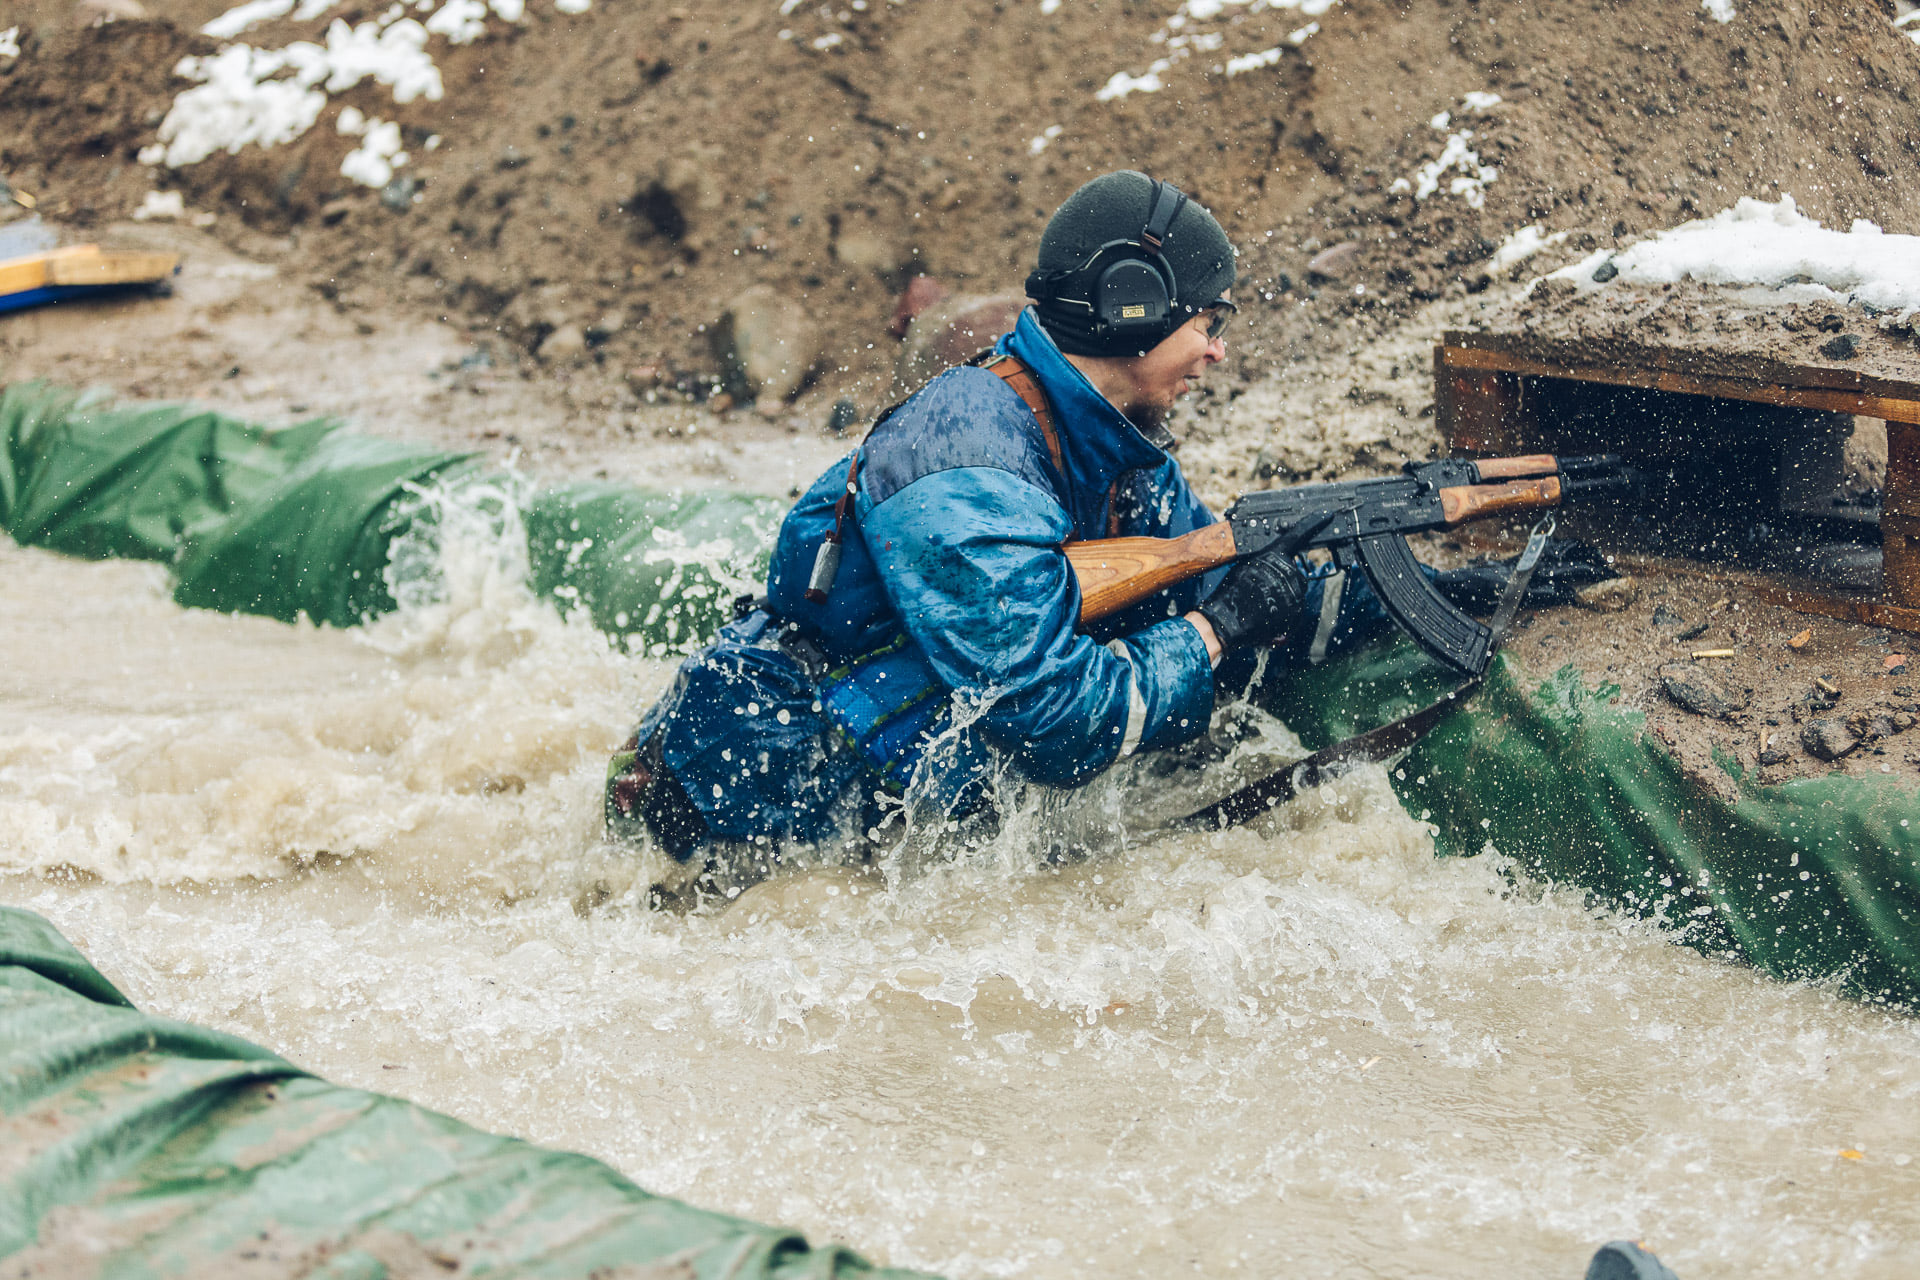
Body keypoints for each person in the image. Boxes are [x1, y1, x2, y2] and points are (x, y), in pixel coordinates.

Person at [606, 171, 1346, 877]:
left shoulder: (1118, 452)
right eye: (1208, 323)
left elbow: (1234, 581)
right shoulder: (961, 457)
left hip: (870, 810)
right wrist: (1215, 634)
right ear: (1133, 305)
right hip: (731, 825)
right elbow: (1057, 721)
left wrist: (1435, 588)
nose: (1217, 350)